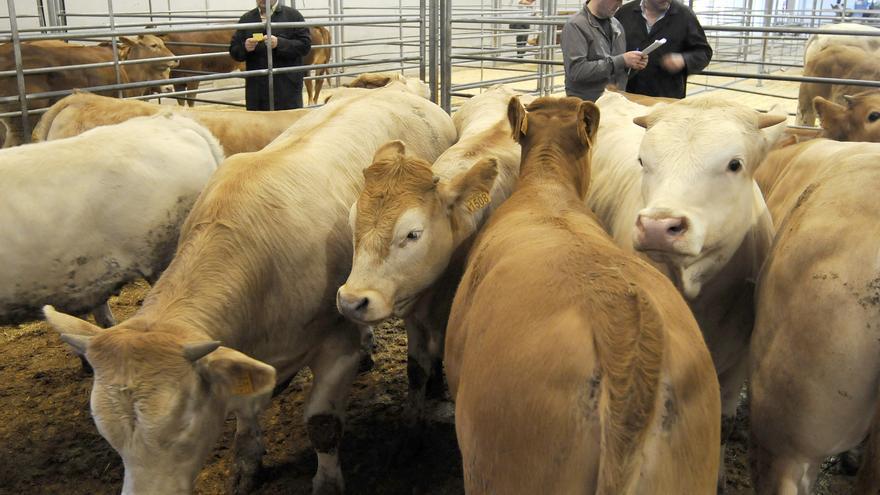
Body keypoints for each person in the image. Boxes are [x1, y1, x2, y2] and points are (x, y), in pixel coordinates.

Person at [615, 0, 712, 98]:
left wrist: (684, 60)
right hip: (628, 97)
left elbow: (703, 52)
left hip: (666, 99)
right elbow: (608, 50)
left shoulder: (684, 15)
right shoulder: (624, 13)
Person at [229, 0, 312, 110]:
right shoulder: (246, 19)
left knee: (286, 125)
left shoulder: (293, 16)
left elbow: (305, 46)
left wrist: (280, 43)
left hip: (286, 89)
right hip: (257, 92)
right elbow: (234, 51)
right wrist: (245, 47)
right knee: (259, 125)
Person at [561, 0, 648, 102]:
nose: (619, 5)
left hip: (614, 103)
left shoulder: (616, 25)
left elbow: (617, 70)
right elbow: (577, 71)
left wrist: (633, 64)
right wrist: (621, 61)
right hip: (588, 106)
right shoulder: (575, 25)